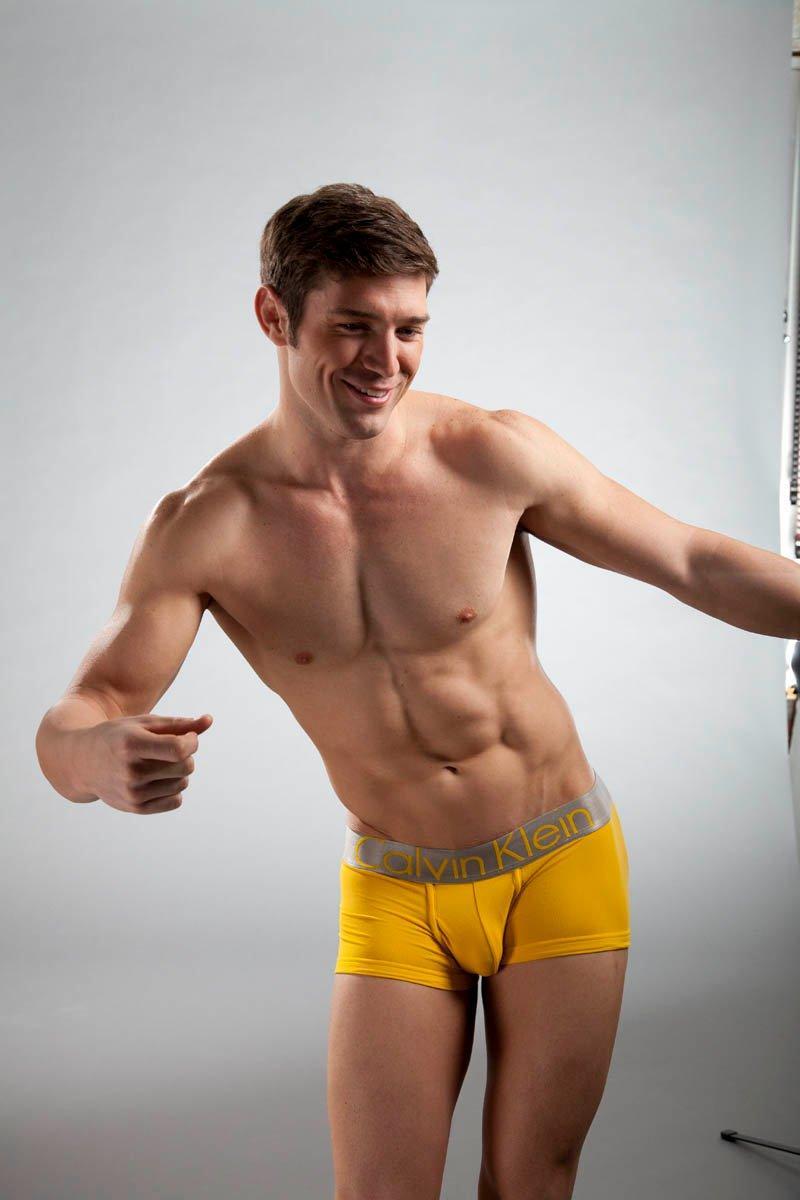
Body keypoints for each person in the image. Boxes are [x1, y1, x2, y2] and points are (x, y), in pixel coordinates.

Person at [35, 182, 800, 1200]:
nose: (384, 360)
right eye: (352, 326)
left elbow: (692, 561)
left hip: (558, 858)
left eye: (409, 329)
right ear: (273, 316)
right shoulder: (209, 523)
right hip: (397, 887)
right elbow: (81, 710)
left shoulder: (488, 453)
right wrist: (96, 757)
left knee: (529, 1183)